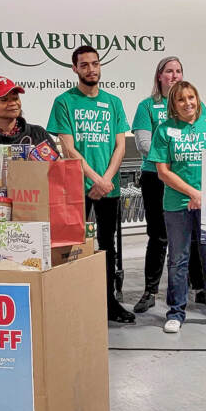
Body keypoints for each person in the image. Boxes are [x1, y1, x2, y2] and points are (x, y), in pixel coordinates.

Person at [46, 45, 134, 324]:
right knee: (71, 246)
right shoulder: (64, 101)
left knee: (108, 247)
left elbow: (120, 146)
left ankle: (109, 303)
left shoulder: (114, 102)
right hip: (76, 188)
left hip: (109, 187)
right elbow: (68, 148)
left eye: (95, 64)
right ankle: (71, 302)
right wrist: (95, 179)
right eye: (84, 65)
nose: (91, 69)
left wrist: (106, 180)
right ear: (74, 69)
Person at [147, 81, 206, 333]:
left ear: (198, 99)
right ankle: (175, 312)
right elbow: (163, 172)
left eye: (191, 97)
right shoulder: (164, 130)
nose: (188, 103)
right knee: (178, 260)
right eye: (181, 99)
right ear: (173, 104)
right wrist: (193, 193)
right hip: (177, 205)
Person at [131, 56, 206, 313]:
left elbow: (204, 137)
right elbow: (143, 144)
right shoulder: (147, 106)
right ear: (159, 77)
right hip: (156, 177)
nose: (174, 75)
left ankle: (198, 287)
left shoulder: (197, 106)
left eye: (178, 71)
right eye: (169, 71)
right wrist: (171, 157)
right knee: (159, 235)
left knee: (195, 234)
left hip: (189, 178)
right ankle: (151, 290)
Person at [0, 76, 58, 152]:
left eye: (15, 98)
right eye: (4, 100)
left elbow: (57, 169)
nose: (13, 103)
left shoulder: (37, 133)